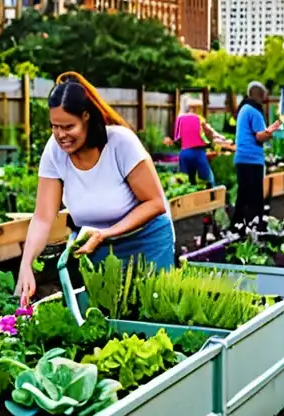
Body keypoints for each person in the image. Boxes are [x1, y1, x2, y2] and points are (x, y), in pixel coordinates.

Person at [16, 72, 173, 299]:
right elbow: (42, 217)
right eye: (54, 127)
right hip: (96, 247)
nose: (61, 135)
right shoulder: (54, 151)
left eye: (68, 126)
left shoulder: (120, 143)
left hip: (146, 242)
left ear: (86, 117)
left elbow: (155, 203)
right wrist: (26, 264)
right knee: (104, 316)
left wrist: (105, 233)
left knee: (151, 309)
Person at [233, 81, 282, 229]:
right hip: (252, 159)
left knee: (243, 194)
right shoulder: (254, 111)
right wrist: (272, 130)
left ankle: (237, 225)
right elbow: (259, 136)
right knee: (255, 197)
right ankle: (255, 227)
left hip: (241, 158)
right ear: (259, 95)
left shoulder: (244, 109)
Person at [168, 96, 231, 187]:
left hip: (184, 153)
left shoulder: (180, 119)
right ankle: (211, 197)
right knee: (208, 180)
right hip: (198, 153)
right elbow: (209, 133)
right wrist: (222, 139)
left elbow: (177, 139)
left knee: (185, 182)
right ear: (197, 108)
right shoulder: (199, 119)